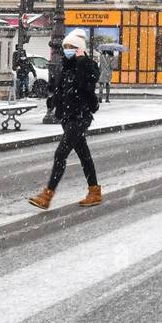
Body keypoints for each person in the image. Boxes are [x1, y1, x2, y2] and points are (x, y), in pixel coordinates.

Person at [28, 30, 102, 209]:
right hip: (68, 116)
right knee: (84, 155)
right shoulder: (66, 66)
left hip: (80, 116)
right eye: (66, 47)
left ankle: (47, 195)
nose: (67, 50)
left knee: (60, 154)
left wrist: (82, 61)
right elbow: (60, 88)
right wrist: (53, 101)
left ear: (79, 49)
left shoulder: (86, 65)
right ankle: (94, 191)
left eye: (71, 47)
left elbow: (88, 84)